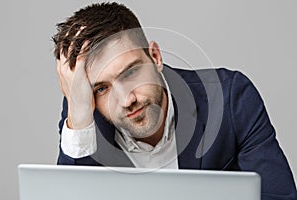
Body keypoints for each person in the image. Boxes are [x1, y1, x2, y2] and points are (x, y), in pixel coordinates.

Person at [52, 2, 297, 199]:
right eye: (103, 88)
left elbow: (279, 195)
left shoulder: (231, 98)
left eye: (130, 73)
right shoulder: (84, 118)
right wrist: (79, 116)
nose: (126, 100)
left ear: (155, 56)